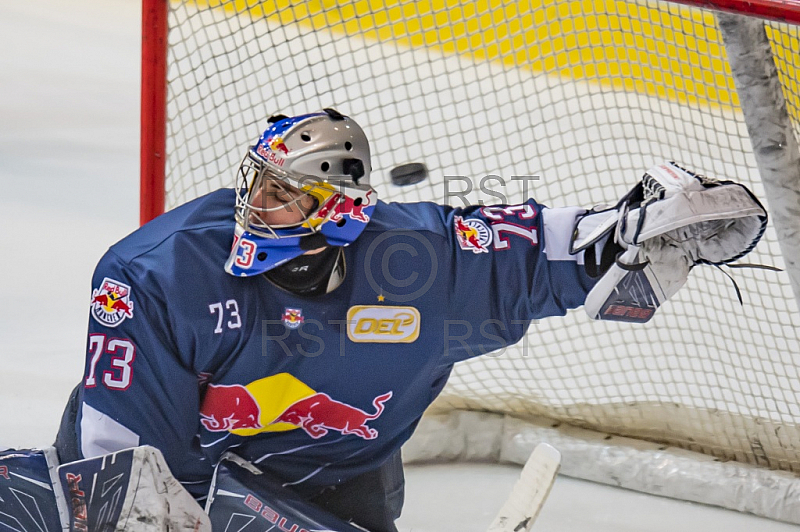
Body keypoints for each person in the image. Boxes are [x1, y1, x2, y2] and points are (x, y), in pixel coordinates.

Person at [51, 109, 766, 532]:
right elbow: (123, 466)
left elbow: (546, 247)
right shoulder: (155, 273)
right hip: (175, 468)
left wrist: (631, 227)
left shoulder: (419, 264)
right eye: (258, 187)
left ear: (337, 209)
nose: (255, 209)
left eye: (284, 196)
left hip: (334, 480)